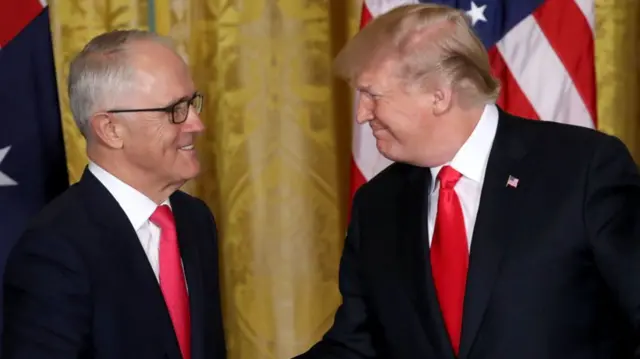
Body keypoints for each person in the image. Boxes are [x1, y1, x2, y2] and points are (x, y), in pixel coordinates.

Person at [295, 3, 640, 359]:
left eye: (373, 95)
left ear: (439, 96)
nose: (362, 114)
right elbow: (356, 347)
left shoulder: (582, 169)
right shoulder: (377, 204)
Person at [1, 30, 226, 359]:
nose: (196, 123)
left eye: (192, 103)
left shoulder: (195, 219)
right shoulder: (54, 249)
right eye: (175, 110)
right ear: (110, 130)